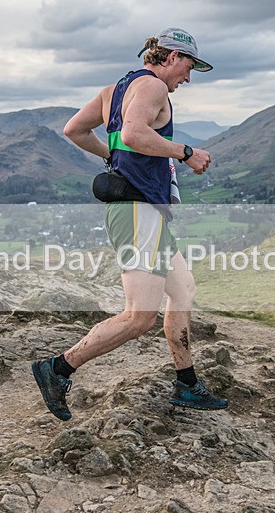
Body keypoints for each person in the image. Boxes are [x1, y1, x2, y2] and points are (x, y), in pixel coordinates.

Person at [31, 28, 228, 421]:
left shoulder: (114, 90)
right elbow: (136, 133)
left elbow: (75, 130)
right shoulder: (153, 87)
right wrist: (186, 152)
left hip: (143, 209)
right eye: (189, 67)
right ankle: (57, 369)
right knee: (140, 317)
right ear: (171, 57)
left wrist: (112, 157)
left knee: (183, 289)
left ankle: (186, 384)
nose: (187, 78)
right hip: (137, 210)